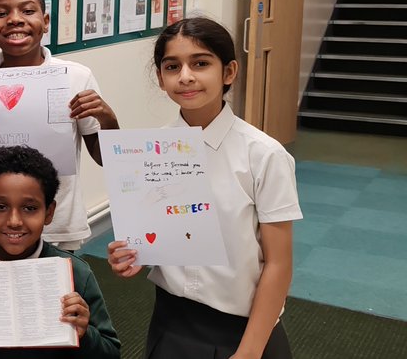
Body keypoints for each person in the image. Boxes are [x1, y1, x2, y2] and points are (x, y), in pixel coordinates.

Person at [108, 18, 300, 358]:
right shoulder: (149, 153)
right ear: (160, 78)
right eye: (172, 66)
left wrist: (249, 352)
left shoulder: (264, 155)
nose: (185, 76)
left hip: (244, 331)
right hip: (171, 322)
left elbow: (278, 265)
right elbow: (162, 240)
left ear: (228, 72)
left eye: (200, 63)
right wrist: (133, 256)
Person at [0, 0, 119, 251]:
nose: (14, 20)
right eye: (1, 13)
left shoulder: (76, 77)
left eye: (27, 11)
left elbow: (108, 159)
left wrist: (107, 118)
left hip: (58, 224)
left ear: (45, 21)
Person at [0, 146, 121, 359]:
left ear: (49, 212)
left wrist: (84, 333)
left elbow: (111, 352)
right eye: (0, 207)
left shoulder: (76, 273)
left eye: (30, 208)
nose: (14, 221)